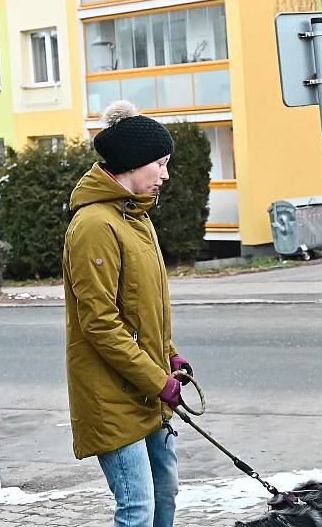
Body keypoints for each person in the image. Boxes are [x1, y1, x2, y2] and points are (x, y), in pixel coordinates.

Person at [64, 100, 192, 527]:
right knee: (137, 508)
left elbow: (145, 308)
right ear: (133, 163)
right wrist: (158, 379)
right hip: (111, 393)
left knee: (165, 496)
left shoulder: (136, 217)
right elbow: (100, 323)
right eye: (160, 163)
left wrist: (170, 354)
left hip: (145, 387)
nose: (165, 175)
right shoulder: (94, 226)